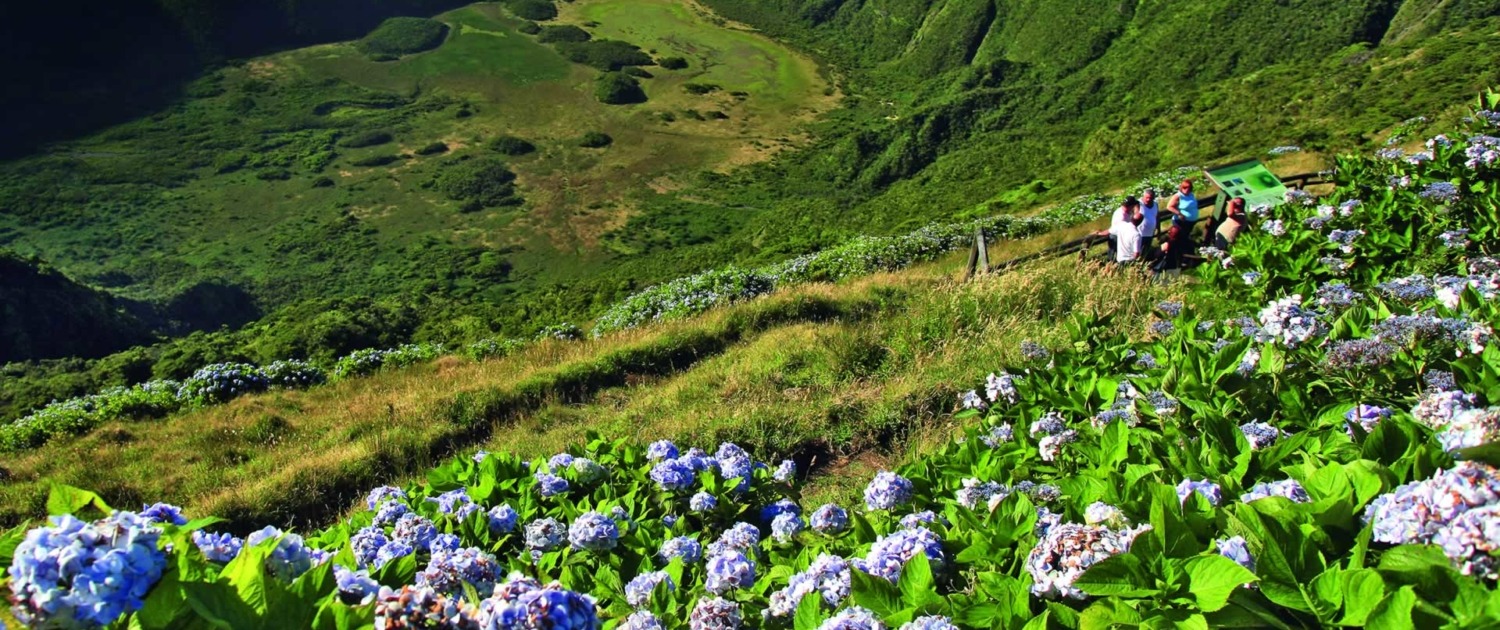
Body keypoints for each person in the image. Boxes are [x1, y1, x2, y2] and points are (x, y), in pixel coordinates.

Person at [1155, 179, 1200, 273]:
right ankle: (1173, 259)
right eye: (1184, 187)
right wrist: (1179, 214)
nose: (1186, 189)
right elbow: (1169, 206)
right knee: (1177, 241)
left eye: (1189, 187)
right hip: (1180, 223)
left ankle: (1183, 259)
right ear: (1181, 187)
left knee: (1183, 240)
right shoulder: (1178, 196)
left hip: (1189, 223)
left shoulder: (1191, 195)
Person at [1096, 196, 1143, 266]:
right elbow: (1112, 230)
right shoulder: (1121, 216)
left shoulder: (1127, 212)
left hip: (1122, 236)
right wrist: (1099, 233)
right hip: (1116, 237)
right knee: (1113, 258)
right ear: (1131, 206)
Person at [1137, 188, 1159, 260]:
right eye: (1147, 198)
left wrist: (1159, 229)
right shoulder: (1138, 204)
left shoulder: (1155, 204)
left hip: (1150, 233)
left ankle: (1144, 264)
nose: (1148, 200)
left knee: (1145, 252)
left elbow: (1157, 217)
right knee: (1138, 252)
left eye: (1151, 198)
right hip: (1140, 234)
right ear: (1143, 196)